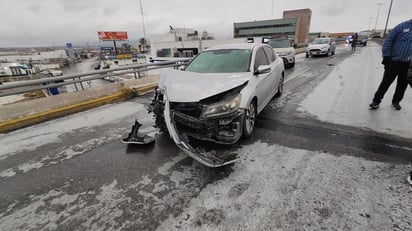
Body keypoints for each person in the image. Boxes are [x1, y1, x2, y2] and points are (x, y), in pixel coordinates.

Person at [369, 19, 412, 110]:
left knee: (402, 84)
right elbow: (388, 41)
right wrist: (386, 55)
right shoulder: (401, 27)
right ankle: (376, 101)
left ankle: (396, 102)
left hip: (408, 63)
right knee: (386, 82)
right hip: (394, 60)